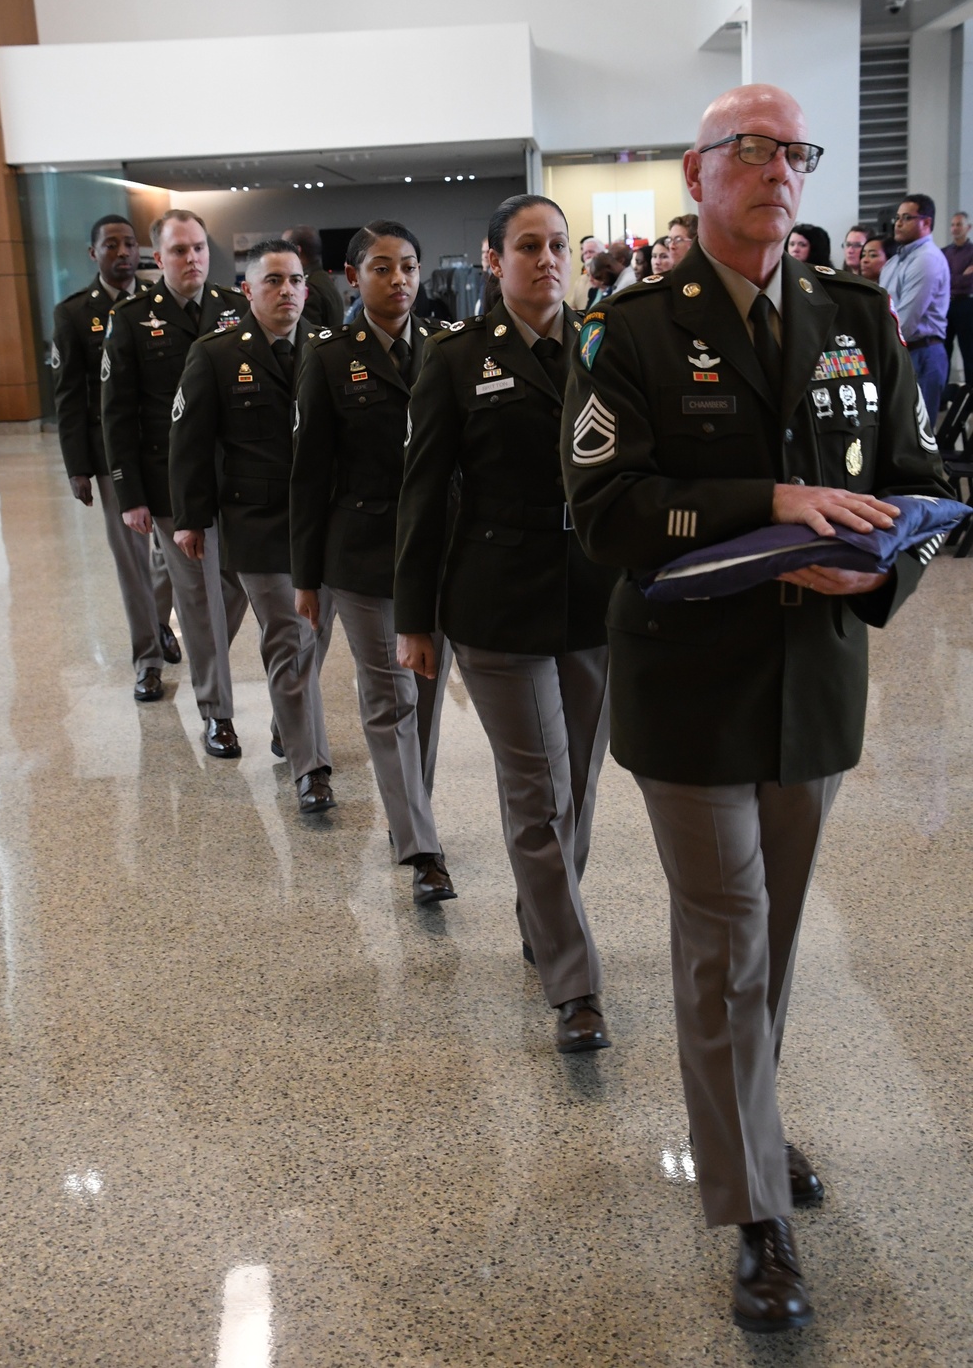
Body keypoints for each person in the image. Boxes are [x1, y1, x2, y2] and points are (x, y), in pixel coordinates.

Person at [562, 84, 950, 1333]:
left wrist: (878, 562)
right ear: (696, 172)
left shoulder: (852, 318)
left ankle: (753, 1126)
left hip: (814, 684)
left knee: (770, 939)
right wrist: (770, 505)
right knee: (725, 936)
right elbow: (607, 511)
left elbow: (923, 481)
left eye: (796, 152)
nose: (779, 169)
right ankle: (752, 1212)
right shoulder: (630, 329)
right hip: (688, 685)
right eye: (752, 148)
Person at [395, 193, 616, 1055]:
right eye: (528, 246)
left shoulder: (607, 344)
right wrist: (415, 617)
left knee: (580, 790)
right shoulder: (455, 359)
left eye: (559, 245)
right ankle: (576, 983)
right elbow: (423, 490)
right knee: (536, 793)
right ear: (494, 260)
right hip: (494, 602)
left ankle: (544, 913)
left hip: (593, 596)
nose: (547, 260)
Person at [290, 221, 450, 885]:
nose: (400, 280)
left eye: (409, 266)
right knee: (390, 700)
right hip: (362, 555)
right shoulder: (329, 356)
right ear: (353, 277)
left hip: (440, 551)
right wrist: (307, 578)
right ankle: (422, 850)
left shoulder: (447, 348)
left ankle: (410, 812)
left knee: (428, 693)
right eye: (382, 268)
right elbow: (309, 473)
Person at [169, 239, 335, 811]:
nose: (285, 291)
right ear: (247, 290)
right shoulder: (215, 354)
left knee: (313, 642)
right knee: (290, 637)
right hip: (257, 522)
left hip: (326, 525)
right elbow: (188, 443)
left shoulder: (328, 348)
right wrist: (191, 519)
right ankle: (312, 770)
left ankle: (289, 726)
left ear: (307, 289)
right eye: (272, 281)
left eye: (294, 281)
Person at [102, 208, 249, 756]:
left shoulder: (234, 309)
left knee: (231, 588)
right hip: (170, 485)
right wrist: (130, 495)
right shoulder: (133, 316)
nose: (192, 259)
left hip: (235, 478)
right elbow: (115, 413)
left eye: (199, 249)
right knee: (200, 596)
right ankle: (218, 713)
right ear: (158, 258)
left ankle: (198, 649)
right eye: (180, 251)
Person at [52, 215, 181, 700]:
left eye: (130, 244)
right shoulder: (73, 314)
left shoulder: (158, 302)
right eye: (111, 245)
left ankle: (159, 621)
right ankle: (147, 658)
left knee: (170, 555)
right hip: (112, 457)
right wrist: (78, 466)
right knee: (131, 561)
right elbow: (68, 396)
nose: (123, 252)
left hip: (165, 450)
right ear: (94, 254)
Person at [880, 194, 951, 423]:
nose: (898, 223)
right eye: (897, 218)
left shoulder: (926, 259)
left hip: (923, 353)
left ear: (926, 223)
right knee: (896, 429)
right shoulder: (894, 262)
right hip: (902, 350)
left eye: (907, 218)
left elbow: (906, 322)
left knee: (918, 436)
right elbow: (882, 310)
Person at [282, 225, 343, 330]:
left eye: (284, 249)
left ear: (297, 250)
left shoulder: (306, 287)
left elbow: (306, 337)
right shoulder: (323, 279)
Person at [943, 210, 973, 386]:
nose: (955, 228)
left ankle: (969, 399)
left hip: (966, 304)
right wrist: (961, 277)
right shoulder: (944, 252)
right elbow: (941, 280)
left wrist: (952, 278)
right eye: (952, 224)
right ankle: (941, 398)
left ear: (968, 227)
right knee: (943, 350)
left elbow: (969, 282)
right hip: (946, 304)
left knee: (968, 351)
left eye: (958, 224)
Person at [566, 235, 605, 312]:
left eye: (591, 252)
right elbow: (572, 306)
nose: (588, 256)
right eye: (585, 253)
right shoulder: (580, 280)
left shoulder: (607, 280)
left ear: (602, 254)